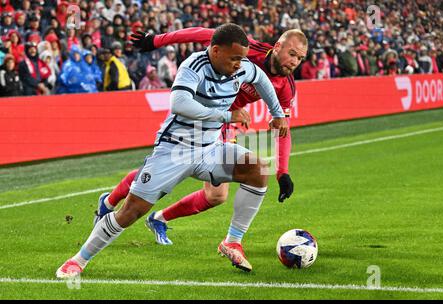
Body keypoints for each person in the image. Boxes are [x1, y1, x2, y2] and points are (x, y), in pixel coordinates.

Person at [56, 23, 288, 277]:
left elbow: (261, 78)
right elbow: (179, 104)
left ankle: (232, 241)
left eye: (242, 59)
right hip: (174, 150)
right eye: (234, 58)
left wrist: (277, 114)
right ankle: (78, 260)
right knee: (131, 212)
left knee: (258, 169)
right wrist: (224, 115)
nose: (239, 64)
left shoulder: (241, 67)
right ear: (216, 51)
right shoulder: (193, 66)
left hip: (210, 149)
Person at [94, 26, 307, 245]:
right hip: (198, 112)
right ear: (278, 46)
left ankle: (157, 218)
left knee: (215, 195)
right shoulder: (247, 50)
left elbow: (283, 128)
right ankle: (117, 203)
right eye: (292, 54)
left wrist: (283, 172)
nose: (294, 62)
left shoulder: (286, 87)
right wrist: (157, 41)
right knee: (173, 171)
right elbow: (202, 33)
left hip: (224, 122)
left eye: (300, 58)